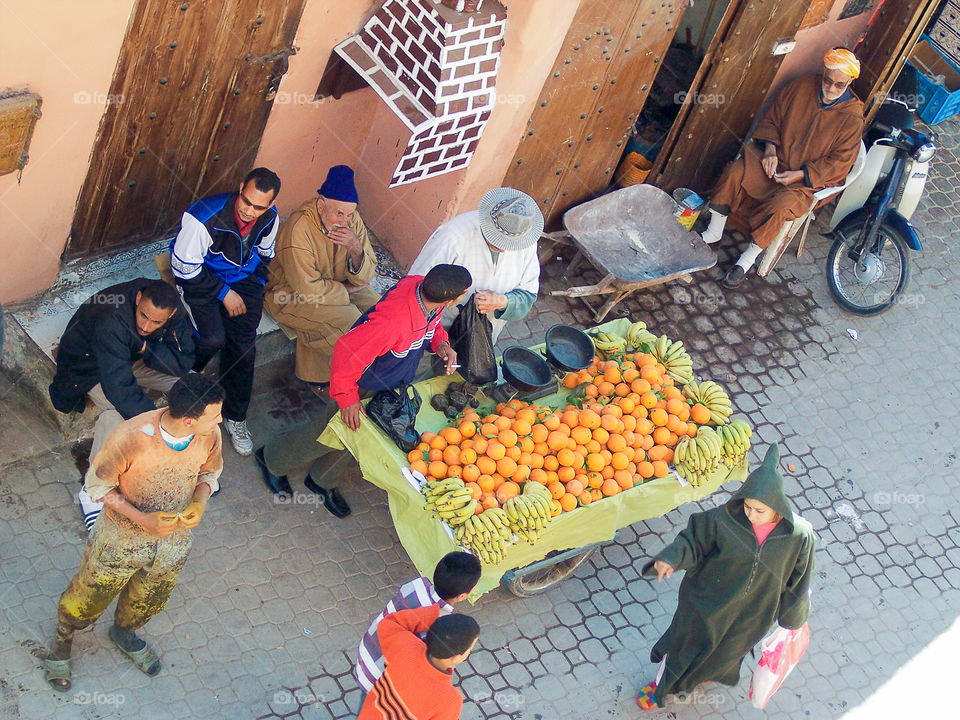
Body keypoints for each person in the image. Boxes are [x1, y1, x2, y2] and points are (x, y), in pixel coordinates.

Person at [43, 374, 224, 692]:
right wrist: (142, 518)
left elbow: (210, 471)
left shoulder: (209, 435)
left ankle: (124, 632)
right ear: (188, 419)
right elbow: (97, 487)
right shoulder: (129, 436)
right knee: (90, 595)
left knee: (150, 597)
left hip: (172, 542)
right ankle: (63, 640)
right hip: (119, 539)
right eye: (215, 415)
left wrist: (200, 499)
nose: (220, 420)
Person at [253, 264, 470, 517]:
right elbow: (347, 350)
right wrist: (347, 399)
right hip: (363, 384)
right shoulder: (392, 323)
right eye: (464, 293)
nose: (465, 296)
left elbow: (432, 325)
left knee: (360, 436)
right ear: (450, 298)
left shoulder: (426, 291)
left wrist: (441, 343)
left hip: (390, 382)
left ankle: (322, 480)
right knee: (328, 430)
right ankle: (271, 459)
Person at [635, 444, 815, 710]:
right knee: (682, 650)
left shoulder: (799, 536)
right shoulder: (724, 520)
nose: (751, 515)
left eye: (759, 511)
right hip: (704, 608)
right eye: (748, 507)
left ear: (777, 506)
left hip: (752, 618)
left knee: (725, 655)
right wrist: (671, 559)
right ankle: (661, 687)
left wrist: (793, 620)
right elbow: (693, 541)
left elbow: (799, 580)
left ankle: (701, 676)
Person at [700, 48, 864, 289]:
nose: (830, 89)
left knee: (782, 206)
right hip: (775, 161)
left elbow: (839, 163)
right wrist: (769, 151)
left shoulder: (852, 118)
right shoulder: (801, 87)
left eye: (839, 85)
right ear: (822, 73)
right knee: (734, 172)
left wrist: (801, 174)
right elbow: (772, 119)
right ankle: (714, 233)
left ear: (850, 81)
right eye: (827, 81)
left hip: (804, 181)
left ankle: (747, 259)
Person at [48, 279, 195, 531]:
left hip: (131, 358)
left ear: (171, 314)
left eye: (156, 322)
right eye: (143, 316)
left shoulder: (174, 310)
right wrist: (157, 431)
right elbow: (120, 391)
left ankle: (187, 457)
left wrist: (146, 348)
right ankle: (93, 488)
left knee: (192, 385)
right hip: (92, 370)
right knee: (117, 417)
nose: (146, 325)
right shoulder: (111, 322)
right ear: (138, 299)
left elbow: (182, 360)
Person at [170, 167, 281, 456]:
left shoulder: (270, 218)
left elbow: (266, 257)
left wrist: (254, 287)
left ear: (269, 205)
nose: (249, 210)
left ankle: (236, 416)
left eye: (259, 206)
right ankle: (180, 381)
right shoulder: (203, 217)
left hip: (243, 283)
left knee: (244, 349)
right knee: (212, 339)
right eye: (246, 201)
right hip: (200, 279)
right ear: (241, 186)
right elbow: (183, 269)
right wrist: (223, 293)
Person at [264, 165, 380, 393]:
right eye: (339, 214)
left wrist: (356, 248)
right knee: (350, 321)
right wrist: (346, 291)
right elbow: (308, 290)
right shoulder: (299, 228)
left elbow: (368, 273)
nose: (345, 221)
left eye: (349, 214)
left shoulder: (351, 220)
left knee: (381, 310)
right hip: (287, 295)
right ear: (321, 206)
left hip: (335, 285)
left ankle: (357, 369)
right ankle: (349, 382)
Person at [408, 187, 542, 344]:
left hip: (482, 338)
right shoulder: (452, 236)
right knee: (434, 362)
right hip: (435, 331)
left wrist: (503, 302)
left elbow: (527, 296)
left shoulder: (526, 240)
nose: (503, 247)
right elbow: (415, 288)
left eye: (510, 243)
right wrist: (436, 340)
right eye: (498, 239)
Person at [356, 551, 482, 692]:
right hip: (377, 680)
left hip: (366, 650)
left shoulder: (417, 584)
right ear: (462, 596)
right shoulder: (444, 625)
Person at [356, 606, 479, 720]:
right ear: (457, 658)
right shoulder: (449, 701)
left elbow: (389, 623)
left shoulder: (407, 646)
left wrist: (432, 614)